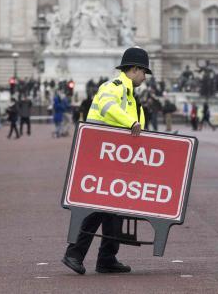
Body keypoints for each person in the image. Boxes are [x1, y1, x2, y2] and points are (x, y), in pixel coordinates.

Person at [62, 46, 149, 276]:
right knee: (102, 206)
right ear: (134, 69)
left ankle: (107, 257)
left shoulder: (131, 98)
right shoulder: (113, 87)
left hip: (116, 157)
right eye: (144, 72)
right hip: (102, 153)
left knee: (115, 208)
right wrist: (131, 124)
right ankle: (75, 253)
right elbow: (108, 109)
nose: (145, 77)